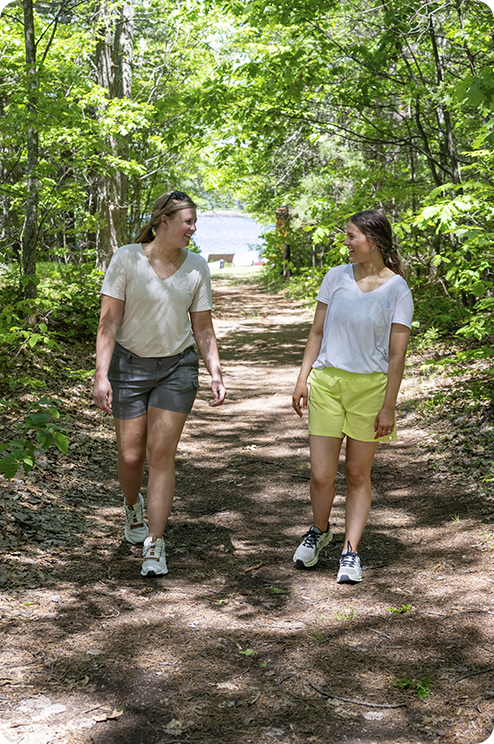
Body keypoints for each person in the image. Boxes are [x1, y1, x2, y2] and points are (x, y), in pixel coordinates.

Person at [93, 190, 226, 578]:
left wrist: (215, 371)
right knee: (131, 456)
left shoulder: (197, 266)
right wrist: (101, 374)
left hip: (176, 368)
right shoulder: (127, 258)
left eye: (195, 221)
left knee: (160, 454)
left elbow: (203, 328)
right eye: (187, 221)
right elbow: (109, 322)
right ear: (163, 222)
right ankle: (132, 506)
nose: (193, 228)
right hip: (129, 366)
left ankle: (155, 541)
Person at [292, 209, 413, 584]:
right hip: (328, 385)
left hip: (370, 390)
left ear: (373, 241)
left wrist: (389, 405)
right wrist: (302, 377)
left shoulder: (397, 290)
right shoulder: (335, 277)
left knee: (358, 474)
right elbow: (316, 332)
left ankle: (350, 550)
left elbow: (397, 356)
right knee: (320, 474)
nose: (345, 243)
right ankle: (319, 529)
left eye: (351, 237)